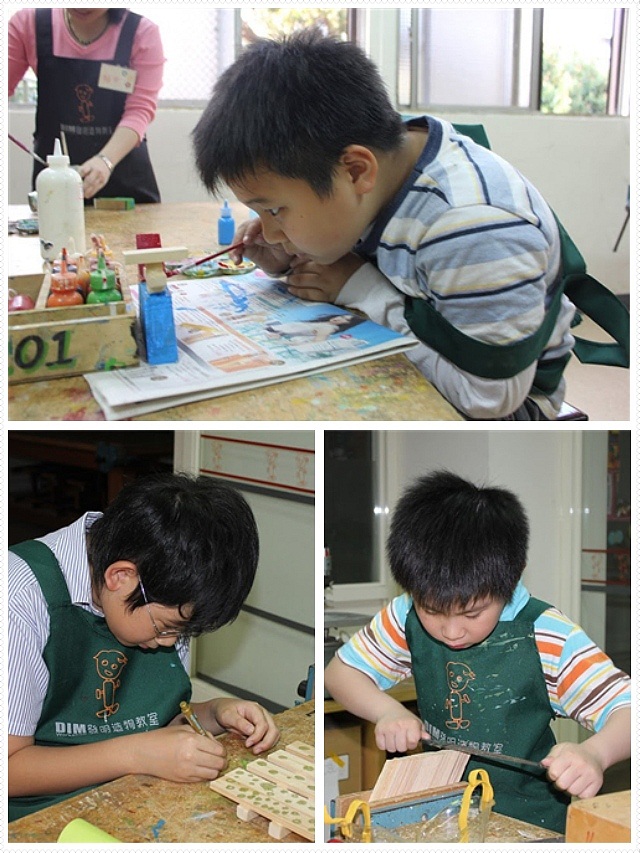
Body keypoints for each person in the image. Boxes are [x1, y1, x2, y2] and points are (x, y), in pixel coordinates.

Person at [192, 30, 577, 420]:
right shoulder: (378, 157)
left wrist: (362, 289)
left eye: (275, 210)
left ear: (356, 171)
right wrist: (287, 257)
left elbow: (487, 398)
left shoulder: (473, 226)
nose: (269, 230)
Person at [324, 471, 631, 833]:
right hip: (440, 816)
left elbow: (628, 711)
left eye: (472, 614)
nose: (451, 631)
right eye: (432, 610)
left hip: (531, 825)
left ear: (512, 578)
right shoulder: (405, 614)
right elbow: (340, 674)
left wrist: (595, 753)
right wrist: (387, 711)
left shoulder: (548, 635)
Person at [8, 473, 280, 822]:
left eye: (184, 631)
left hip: (127, 799)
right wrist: (136, 755)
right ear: (120, 577)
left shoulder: (163, 595)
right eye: (166, 627)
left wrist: (214, 713)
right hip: (33, 819)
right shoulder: (19, 596)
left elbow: (150, 722)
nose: (170, 642)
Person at [9, 8, 163, 202]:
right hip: (55, 180)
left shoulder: (141, 32)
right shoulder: (28, 24)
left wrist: (105, 161)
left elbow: (140, 110)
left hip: (125, 178)